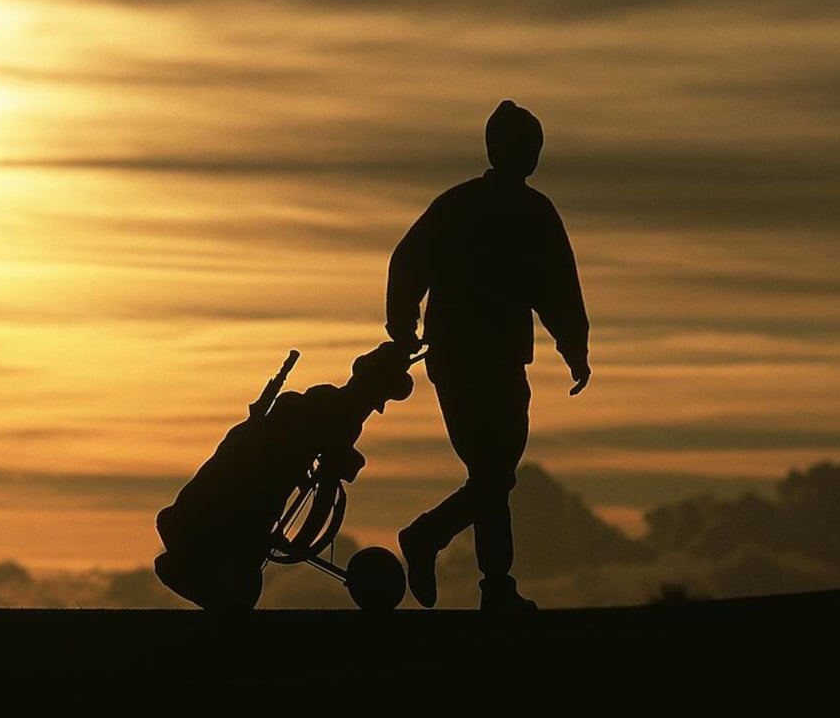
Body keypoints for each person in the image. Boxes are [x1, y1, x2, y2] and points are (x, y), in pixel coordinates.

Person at [385, 99, 591, 611]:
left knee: (495, 474)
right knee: (493, 471)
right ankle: (487, 579)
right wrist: (402, 326)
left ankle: (443, 547)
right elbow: (409, 260)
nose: (529, 156)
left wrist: (575, 348)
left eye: (534, 148)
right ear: (497, 149)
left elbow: (559, 288)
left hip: (504, 360)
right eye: (523, 146)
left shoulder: (536, 214)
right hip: (457, 359)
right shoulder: (458, 206)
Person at [155, 341, 417, 610]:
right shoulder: (341, 417)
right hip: (251, 478)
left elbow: (326, 487)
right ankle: (203, 575)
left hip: (249, 472)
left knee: (195, 534)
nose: (377, 405)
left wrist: (302, 543)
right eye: (380, 398)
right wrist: (302, 544)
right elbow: (326, 490)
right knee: (191, 531)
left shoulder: (327, 400)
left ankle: (206, 575)